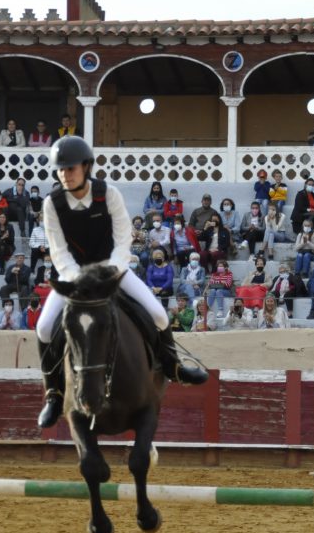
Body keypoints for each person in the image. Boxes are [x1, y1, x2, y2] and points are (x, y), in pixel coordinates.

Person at [34, 136, 208, 428]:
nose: (65, 174)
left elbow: (123, 238)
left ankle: (173, 366)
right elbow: (58, 250)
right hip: (73, 275)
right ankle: (53, 393)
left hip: (112, 271)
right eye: (61, 170)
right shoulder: (52, 203)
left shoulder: (109, 194)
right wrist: (80, 280)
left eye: (71, 168)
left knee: (159, 314)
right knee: (43, 327)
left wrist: (107, 276)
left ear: (86, 167)